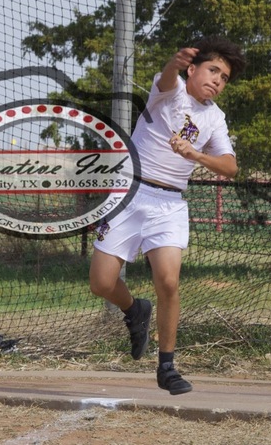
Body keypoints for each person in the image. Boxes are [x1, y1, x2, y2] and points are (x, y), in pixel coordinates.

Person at [90, 36, 246, 395]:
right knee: (100, 283)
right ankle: (135, 310)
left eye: (224, 78)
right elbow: (165, 78)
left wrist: (196, 155)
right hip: (128, 193)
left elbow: (230, 166)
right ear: (192, 69)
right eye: (213, 70)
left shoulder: (214, 118)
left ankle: (167, 367)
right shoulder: (169, 92)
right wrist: (173, 62)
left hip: (170, 204)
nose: (218, 81)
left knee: (169, 281)